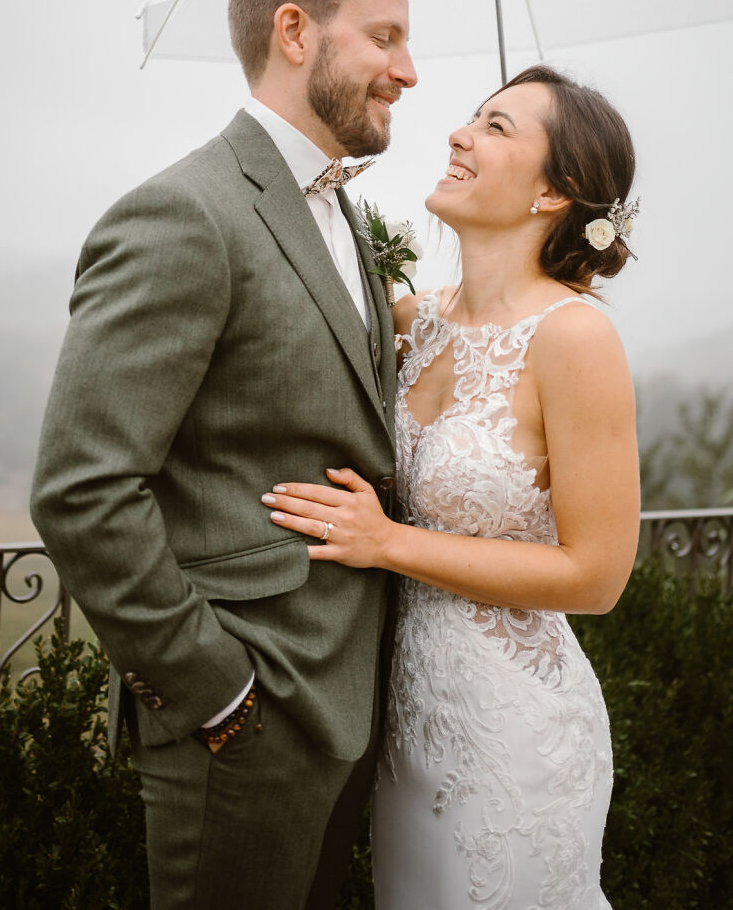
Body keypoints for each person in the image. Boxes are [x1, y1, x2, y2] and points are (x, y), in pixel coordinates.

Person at [30, 0, 417, 910]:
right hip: (249, 726)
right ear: (296, 31)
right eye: (385, 36)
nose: (408, 70)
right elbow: (83, 488)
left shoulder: (341, 212)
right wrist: (220, 692)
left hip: (353, 710)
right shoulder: (183, 215)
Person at [262, 64, 641, 909]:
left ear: (557, 191)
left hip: (515, 734)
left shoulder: (574, 339)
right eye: (472, 116)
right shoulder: (413, 322)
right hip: (404, 725)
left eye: (498, 126)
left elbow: (598, 575)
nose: (460, 133)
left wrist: (387, 541)